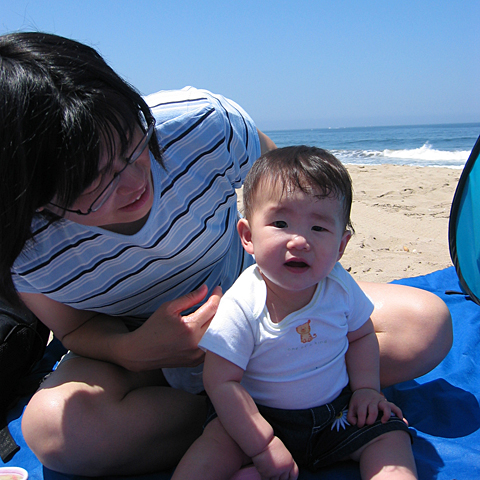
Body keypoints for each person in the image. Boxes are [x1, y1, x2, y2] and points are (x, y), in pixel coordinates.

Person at [0, 32, 450, 476]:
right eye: (97, 182)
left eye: (134, 146)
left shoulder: (199, 126)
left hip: (273, 329)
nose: (136, 180)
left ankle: (264, 412)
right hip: (152, 363)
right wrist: (134, 349)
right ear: (38, 198)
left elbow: (279, 187)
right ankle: (240, 420)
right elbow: (74, 327)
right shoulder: (24, 243)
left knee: (425, 325)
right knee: (58, 429)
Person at [172, 146, 418, 480]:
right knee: (214, 447)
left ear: (341, 247)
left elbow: (361, 336)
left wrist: (366, 390)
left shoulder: (340, 286)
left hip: (336, 413)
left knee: (390, 435)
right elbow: (220, 381)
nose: (300, 240)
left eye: (319, 229)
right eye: (281, 223)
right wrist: (262, 445)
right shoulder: (243, 302)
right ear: (248, 237)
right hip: (255, 418)